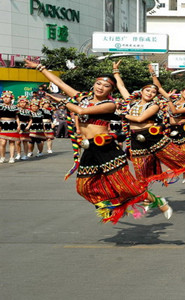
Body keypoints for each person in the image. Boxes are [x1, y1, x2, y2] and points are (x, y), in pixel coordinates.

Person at [24, 58, 171, 223]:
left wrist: (64, 101)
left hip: (106, 148)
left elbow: (80, 110)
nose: (101, 87)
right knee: (83, 187)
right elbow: (60, 83)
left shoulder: (109, 104)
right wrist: (40, 67)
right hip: (90, 148)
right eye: (99, 83)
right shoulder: (83, 98)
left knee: (126, 185)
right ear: (94, 84)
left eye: (106, 86)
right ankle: (108, 206)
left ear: (111, 90)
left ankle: (158, 201)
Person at [0, 91, 19, 163]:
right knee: (2, 142)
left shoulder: (15, 107)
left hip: (12, 125)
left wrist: (18, 125)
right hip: (2, 125)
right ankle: (2, 157)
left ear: (11, 98)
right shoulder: (0, 106)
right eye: (4, 97)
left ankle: (11, 157)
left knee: (12, 142)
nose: (6, 99)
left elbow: (17, 117)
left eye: (7, 97)